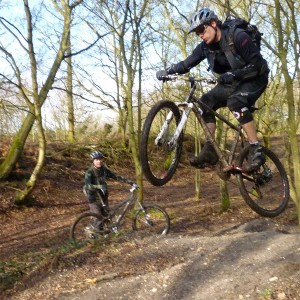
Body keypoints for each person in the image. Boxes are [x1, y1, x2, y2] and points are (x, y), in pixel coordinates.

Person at [156, 7, 269, 172]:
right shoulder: (205, 47)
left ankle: (256, 148)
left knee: (235, 101)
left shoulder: (238, 36)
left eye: (202, 30)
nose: (200, 35)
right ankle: (210, 150)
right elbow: (186, 64)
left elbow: (257, 65)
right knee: (205, 102)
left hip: (256, 77)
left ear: (214, 23)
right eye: (197, 33)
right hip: (233, 81)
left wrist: (234, 74)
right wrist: (168, 71)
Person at [83, 150, 135, 231]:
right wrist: (100, 186)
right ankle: (96, 237)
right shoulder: (89, 172)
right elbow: (88, 186)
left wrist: (130, 182)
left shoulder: (104, 170)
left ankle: (106, 234)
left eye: (100, 159)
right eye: (96, 160)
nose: (99, 161)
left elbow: (116, 176)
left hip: (103, 197)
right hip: (94, 198)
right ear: (93, 161)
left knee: (107, 217)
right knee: (98, 218)